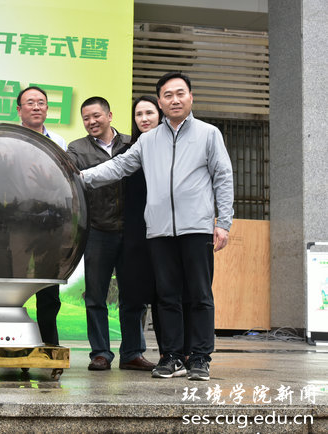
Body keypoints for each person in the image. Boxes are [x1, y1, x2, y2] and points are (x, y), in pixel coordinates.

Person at [80, 72, 234, 381]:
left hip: (197, 229)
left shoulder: (209, 134)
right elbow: (118, 166)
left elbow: (223, 176)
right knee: (167, 296)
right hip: (160, 231)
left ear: (190, 97)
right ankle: (172, 356)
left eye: (180, 93)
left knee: (199, 295)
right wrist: (80, 178)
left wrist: (224, 222)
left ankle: (200, 357)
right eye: (168, 95)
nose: (175, 100)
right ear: (161, 102)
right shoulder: (148, 141)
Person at [67, 97, 151, 371]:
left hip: (132, 231)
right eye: (86, 118)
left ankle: (132, 353)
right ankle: (100, 353)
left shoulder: (132, 143)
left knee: (133, 296)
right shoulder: (76, 148)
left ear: (109, 115)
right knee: (95, 296)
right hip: (98, 230)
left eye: (96, 116)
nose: (91, 122)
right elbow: (72, 181)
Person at [115, 95, 164, 370]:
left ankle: (171, 353)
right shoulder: (128, 151)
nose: (144, 119)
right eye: (138, 114)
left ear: (160, 115)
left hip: (165, 233)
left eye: (149, 113)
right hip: (133, 233)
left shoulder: (172, 148)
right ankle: (131, 353)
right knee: (131, 296)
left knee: (165, 295)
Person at [16, 86, 66, 345]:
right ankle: (12, 341)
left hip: (49, 223)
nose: (36, 107)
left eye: (41, 102)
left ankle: (49, 343)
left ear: (47, 108)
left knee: (48, 287)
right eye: (30, 102)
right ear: (19, 109)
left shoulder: (59, 142)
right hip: (16, 222)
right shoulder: (9, 140)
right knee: (14, 282)